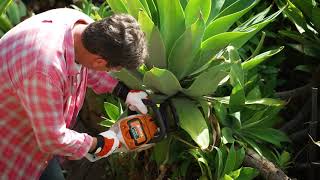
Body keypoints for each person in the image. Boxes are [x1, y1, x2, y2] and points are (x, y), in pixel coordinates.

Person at [0, 8, 149, 179]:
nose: (109, 72)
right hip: (10, 140)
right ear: (100, 61)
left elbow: (88, 64)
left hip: (35, 132)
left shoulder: (81, 27)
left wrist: (123, 92)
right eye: (112, 68)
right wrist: (99, 144)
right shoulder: (46, 70)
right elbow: (52, 139)